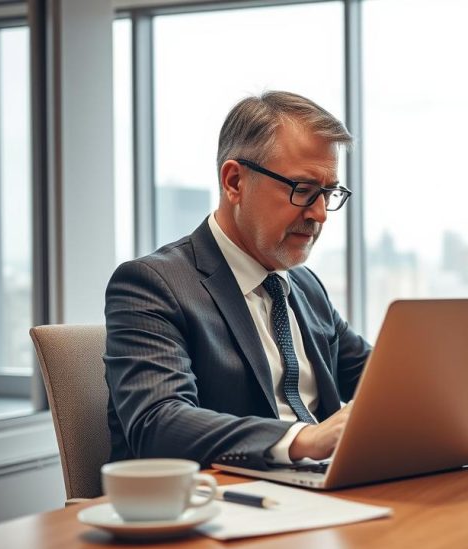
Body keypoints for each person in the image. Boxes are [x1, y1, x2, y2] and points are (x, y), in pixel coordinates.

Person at [104, 91, 371, 470]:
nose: (320, 214)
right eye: (303, 190)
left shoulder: (305, 286)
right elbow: (158, 422)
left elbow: (380, 382)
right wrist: (303, 439)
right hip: (222, 503)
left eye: (328, 193)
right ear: (234, 182)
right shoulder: (152, 285)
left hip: (322, 494)